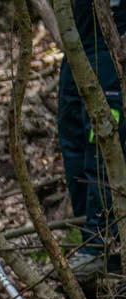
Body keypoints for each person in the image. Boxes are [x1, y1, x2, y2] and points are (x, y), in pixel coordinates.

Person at [58, 0, 126, 277]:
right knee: (72, 144)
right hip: (76, 45)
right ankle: (88, 236)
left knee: (102, 143)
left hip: (111, 49)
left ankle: (102, 244)